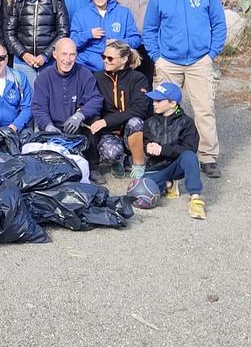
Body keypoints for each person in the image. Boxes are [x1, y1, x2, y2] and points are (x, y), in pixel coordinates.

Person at [143, 0, 227, 179]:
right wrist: (157, 57)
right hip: (168, 62)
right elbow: (149, 30)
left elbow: (219, 24)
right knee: (163, 110)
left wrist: (211, 54)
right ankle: (162, 155)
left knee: (204, 109)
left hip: (199, 61)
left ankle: (207, 157)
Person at [31, 38, 105, 183]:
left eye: (72, 55)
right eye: (64, 54)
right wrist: (48, 125)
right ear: (55, 55)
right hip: (55, 128)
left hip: (78, 126)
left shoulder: (85, 74)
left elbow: (96, 99)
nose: (68, 59)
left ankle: (92, 166)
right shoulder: (43, 78)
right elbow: (38, 107)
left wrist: (80, 115)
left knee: (95, 121)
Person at [141, 82, 206, 219]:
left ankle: (195, 198)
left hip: (177, 164)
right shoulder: (149, 122)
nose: (154, 104)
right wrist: (148, 148)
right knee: (141, 192)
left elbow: (190, 148)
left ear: (172, 103)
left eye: (159, 100)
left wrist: (163, 149)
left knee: (189, 156)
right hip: (157, 166)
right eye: (154, 100)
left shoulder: (186, 122)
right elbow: (146, 144)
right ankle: (169, 184)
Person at [88, 41, 151, 180]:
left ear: (124, 59)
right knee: (111, 152)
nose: (105, 60)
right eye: (103, 56)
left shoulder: (138, 78)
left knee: (135, 122)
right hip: (110, 131)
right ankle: (117, 161)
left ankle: (138, 164)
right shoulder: (97, 77)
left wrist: (106, 121)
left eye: (110, 58)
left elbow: (140, 109)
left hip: (132, 130)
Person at [4, 0, 70, 85]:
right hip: (23, 61)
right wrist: (23, 54)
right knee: (25, 99)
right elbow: (9, 32)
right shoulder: (18, 1)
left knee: (49, 98)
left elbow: (63, 32)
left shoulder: (56, 0)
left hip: (49, 61)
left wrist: (45, 56)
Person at [70, 0, 142, 72]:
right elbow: (72, 44)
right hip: (89, 70)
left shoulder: (124, 13)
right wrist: (89, 34)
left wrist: (118, 42)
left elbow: (136, 40)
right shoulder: (79, 16)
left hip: (118, 69)